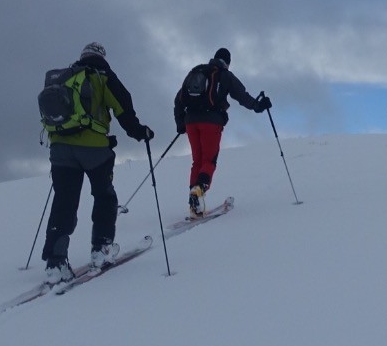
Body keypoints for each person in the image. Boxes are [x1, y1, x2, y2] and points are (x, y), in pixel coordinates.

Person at [41, 42, 154, 283]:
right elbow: (123, 108)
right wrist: (140, 132)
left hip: (60, 149)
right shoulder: (103, 76)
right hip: (93, 151)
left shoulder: (64, 78)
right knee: (104, 196)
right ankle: (101, 249)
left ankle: (55, 261)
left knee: (64, 201)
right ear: (102, 56)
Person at [173, 47, 271, 216]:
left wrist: (180, 122)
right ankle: (199, 191)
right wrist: (257, 106)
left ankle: (193, 201)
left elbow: (179, 99)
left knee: (197, 161)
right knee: (209, 161)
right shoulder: (225, 75)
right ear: (228, 62)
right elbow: (241, 95)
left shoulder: (197, 71)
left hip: (191, 122)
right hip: (211, 121)